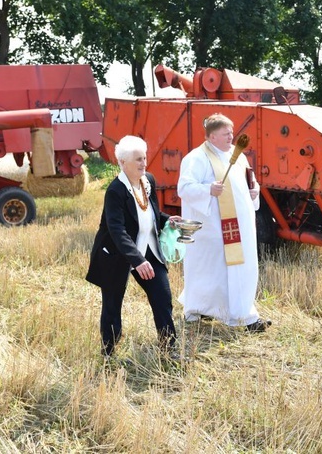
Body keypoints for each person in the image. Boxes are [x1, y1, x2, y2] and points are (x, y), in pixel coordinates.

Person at [86, 135, 182, 359]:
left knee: (162, 297)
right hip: (117, 255)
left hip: (150, 250)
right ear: (122, 163)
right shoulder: (115, 191)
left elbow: (151, 215)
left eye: (144, 158)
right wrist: (137, 260)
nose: (143, 163)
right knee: (112, 305)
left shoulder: (148, 180)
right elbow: (117, 231)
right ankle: (108, 353)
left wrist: (168, 220)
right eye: (137, 159)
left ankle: (169, 349)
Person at [177, 113, 272, 332]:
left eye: (231, 132)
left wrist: (254, 190)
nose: (231, 137)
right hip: (212, 230)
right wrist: (207, 189)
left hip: (242, 227)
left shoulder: (237, 155)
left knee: (241, 268)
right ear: (211, 137)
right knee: (210, 270)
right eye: (225, 134)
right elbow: (184, 188)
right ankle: (201, 309)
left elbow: (251, 179)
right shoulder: (196, 158)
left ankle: (242, 312)